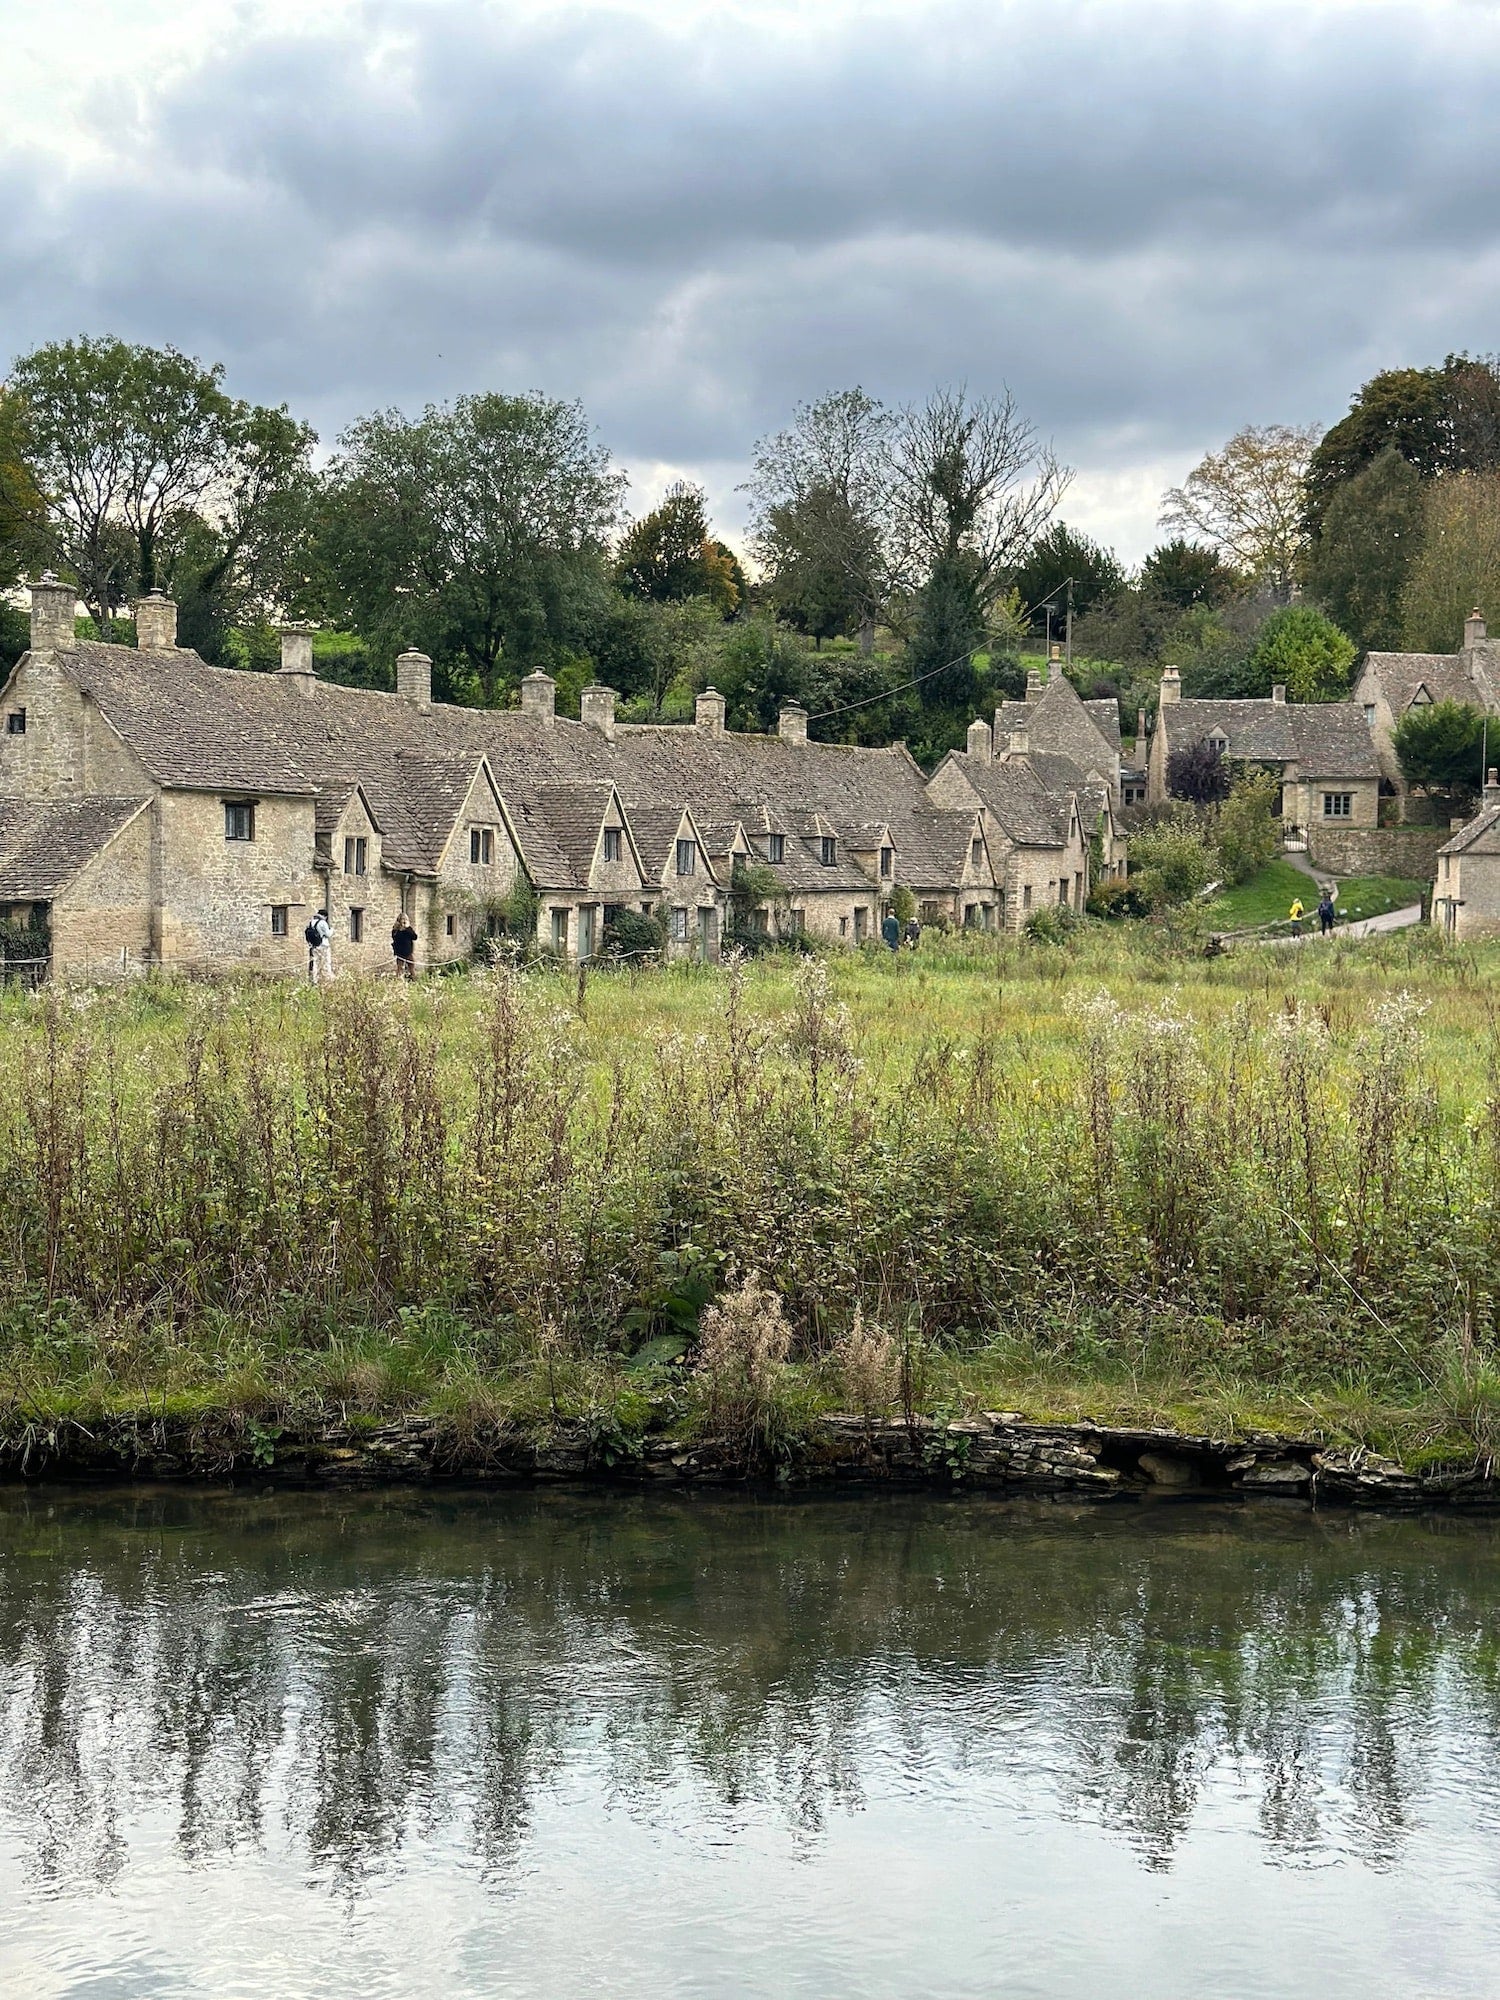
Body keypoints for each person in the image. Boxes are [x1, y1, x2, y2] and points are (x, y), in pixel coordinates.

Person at [305, 908, 333, 984]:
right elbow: (328, 934)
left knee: (315, 963)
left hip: (314, 946)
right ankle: (327, 979)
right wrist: (332, 930)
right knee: (326, 962)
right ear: (325, 916)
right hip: (323, 945)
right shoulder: (323, 922)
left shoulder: (311, 922)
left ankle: (314, 980)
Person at [391, 913, 418, 979]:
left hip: (408, 952)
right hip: (400, 952)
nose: (404, 921)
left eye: (405, 919)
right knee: (400, 968)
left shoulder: (408, 929)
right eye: (403, 919)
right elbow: (395, 938)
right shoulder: (396, 930)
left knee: (411, 966)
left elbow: (414, 937)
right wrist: (401, 929)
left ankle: (413, 979)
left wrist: (408, 928)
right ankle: (399, 981)